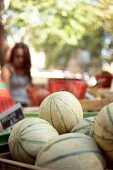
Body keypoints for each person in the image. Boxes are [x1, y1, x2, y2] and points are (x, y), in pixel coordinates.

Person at [1, 42, 32, 107]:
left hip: (26, 104)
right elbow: (5, 92)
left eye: (23, 57)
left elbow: (28, 90)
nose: (20, 60)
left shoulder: (25, 69)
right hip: (13, 104)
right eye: (18, 56)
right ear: (13, 56)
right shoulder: (7, 69)